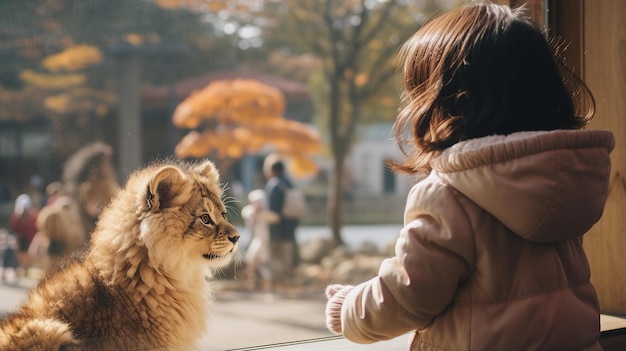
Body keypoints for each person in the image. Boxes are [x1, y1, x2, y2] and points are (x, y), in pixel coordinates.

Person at [324, 3, 614, 350]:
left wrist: (350, 306)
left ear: (444, 104)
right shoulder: (567, 178)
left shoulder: (449, 195)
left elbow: (408, 295)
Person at [264, 154, 300, 287]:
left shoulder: (274, 184)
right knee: (287, 253)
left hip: (278, 227)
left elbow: (274, 211)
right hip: (291, 224)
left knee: (276, 254)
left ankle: (278, 282)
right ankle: (288, 279)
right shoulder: (290, 183)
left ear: (272, 170)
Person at [242, 189, 278, 291]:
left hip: (262, 241)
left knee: (258, 262)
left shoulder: (265, 214)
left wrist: (261, 213)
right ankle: (254, 283)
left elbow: (275, 218)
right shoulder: (249, 211)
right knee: (254, 263)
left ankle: (264, 284)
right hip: (255, 240)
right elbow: (247, 213)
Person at [8, 193, 39, 275]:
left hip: (30, 238)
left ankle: (27, 268)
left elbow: (36, 226)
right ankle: (22, 267)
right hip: (21, 238)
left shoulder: (33, 216)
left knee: (29, 253)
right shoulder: (16, 217)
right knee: (21, 253)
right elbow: (14, 228)